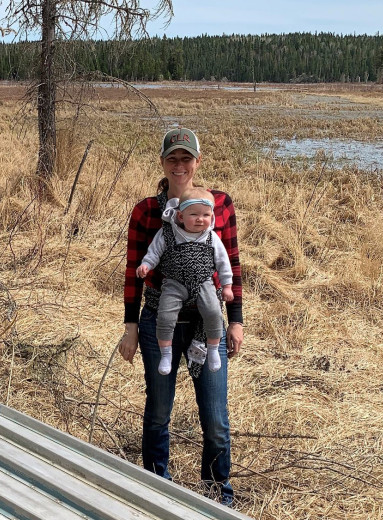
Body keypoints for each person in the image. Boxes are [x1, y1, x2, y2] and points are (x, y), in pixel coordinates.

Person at [117, 127, 243, 506]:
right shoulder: (147, 211)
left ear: (197, 162)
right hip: (159, 318)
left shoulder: (219, 204)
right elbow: (133, 269)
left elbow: (231, 264)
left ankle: (216, 495)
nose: (179, 165)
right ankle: (157, 490)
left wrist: (234, 320)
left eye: (186, 158)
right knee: (158, 412)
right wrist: (131, 327)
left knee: (216, 419)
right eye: (172, 158)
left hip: (208, 323)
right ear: (162, 162)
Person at [136, 187, 234, 375]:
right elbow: (154, 252)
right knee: (165, 316)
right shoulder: (168, 233)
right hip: (174, 283)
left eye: (206, 215)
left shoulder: (211, 237)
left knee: (214, 312)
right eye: (194, 214)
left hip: (204, 282)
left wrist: (227, 286)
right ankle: (166, 353)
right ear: (181, 216)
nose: (200, 219)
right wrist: (146, 265)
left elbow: (224, 262)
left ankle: (213, 350)